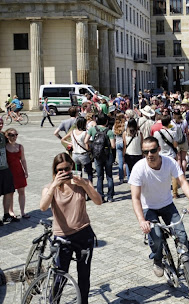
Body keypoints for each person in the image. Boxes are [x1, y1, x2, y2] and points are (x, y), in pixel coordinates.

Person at [129, 137, 189, 281]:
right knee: (156, 238)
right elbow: (135, 198)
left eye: (153, 150)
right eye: (145, 152)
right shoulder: (138, 168)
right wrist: (141, 220)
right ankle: (157, 259)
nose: (150, 154)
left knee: (182, 237)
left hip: (167, 204)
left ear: (159, 150)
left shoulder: (169, 162)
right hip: (148, 207)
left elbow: (183, 182)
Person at [39, 153, 101, 304]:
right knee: (59, 277)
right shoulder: (50, 188)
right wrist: (54, 185)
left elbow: (98, 201)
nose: (64, 172)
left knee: (84, 276)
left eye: (67, 168)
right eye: (59, 170)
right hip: (62, 237)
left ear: (72, 166)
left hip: (83, 234)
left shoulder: (82, 183)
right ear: (55, 171)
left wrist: (85, 185)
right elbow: (43, 207)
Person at [86, 113, 116, 202]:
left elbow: (85, 140)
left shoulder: (92, 129)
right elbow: (113, 146)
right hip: (107, 155)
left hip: (97, 155)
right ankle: (110, 196)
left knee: (99, 177)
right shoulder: (109, 131)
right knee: (109, 176)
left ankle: (100, 196)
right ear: (106, 121)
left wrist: (93, 146)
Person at [5, 128, 29, 220]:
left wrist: (26, 171)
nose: (14, 137)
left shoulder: (20, 147)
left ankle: (23, 212)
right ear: (7, 136)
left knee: (22, 192)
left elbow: (23, 160)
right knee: (10, 193)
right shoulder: (5, 147)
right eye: (12, 135)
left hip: (19, 171)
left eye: (16, 135)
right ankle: (11, 211)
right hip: (9, 172)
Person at [153, 115, 180, 198]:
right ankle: (175, 193)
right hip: (171, 155)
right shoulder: (173, 133)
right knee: (173, 175)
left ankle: (162, 192)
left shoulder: (156, 133)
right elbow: (175, 145)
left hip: (161, 155)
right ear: (169, 123)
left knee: (162, 175)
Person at [63, 117, 93, 182]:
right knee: (89, 172)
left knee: (77, 173)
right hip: (83, 154)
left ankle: (77, 186)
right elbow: (87, 147)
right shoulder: (85, 133)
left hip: (75, 155)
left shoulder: (72, 132)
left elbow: (63, 139)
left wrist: (71, 143)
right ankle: (90, 187)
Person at [0, 119, 16, 225]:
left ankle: (6, 215)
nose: (1, 125)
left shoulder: (2, 135)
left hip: (5, 168)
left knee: (9, 191)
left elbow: (11, 141)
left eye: (1, 123)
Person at [113, 113, 127, 184]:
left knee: (120, 161)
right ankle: (128, 176)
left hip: (118, 143)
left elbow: (113, 134)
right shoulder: (126, 124)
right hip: (124, 142)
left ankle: (121, 178)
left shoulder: (115, 126)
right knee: (126, 161)